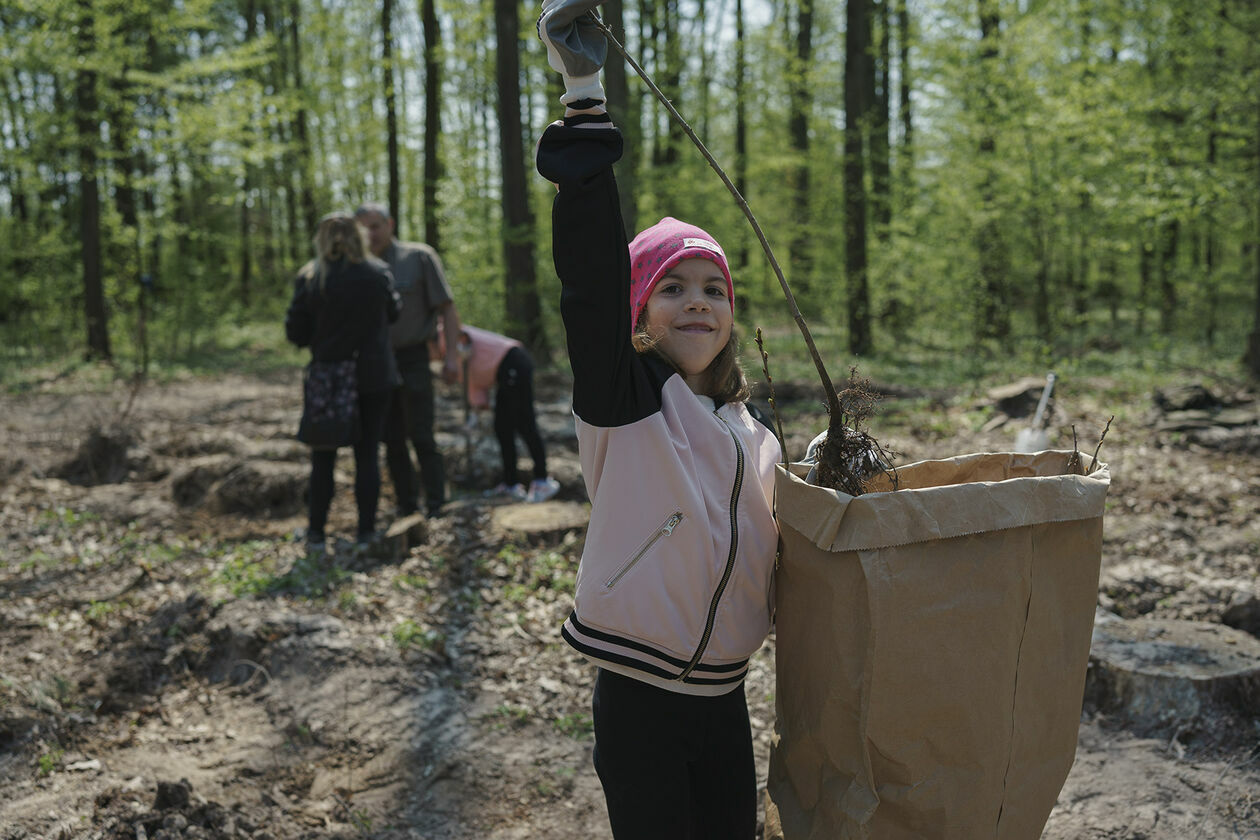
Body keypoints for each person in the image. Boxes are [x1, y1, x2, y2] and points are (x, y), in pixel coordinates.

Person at [536, 3, 781, 837]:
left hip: (727, 697)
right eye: (672, 288)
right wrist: (584, 93)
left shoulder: (757, 433)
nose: (698, 303)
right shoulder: (625, 400)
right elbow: (592, 277)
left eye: (713, 288)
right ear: (640, 316)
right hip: (638, 695)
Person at [285, 212, 402, 549]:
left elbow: (295, 331)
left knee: (323, 456)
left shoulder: (311, 277)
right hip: (374, 375)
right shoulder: (377, 273)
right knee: (367, 454)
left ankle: (316, 534)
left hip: (329, 377)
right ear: (359, 235)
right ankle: (366, 532)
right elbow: (393, 313)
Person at [354, 203, 460, 519]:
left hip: (415, 357)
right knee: (392, 438)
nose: (369, 234)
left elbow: (448, 308)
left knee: (422, 433)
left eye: (374, 226)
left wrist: (450, 356)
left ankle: (438, 504)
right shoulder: (358, 265)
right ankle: (407, 504)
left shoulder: (418, 257)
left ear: (390, 224)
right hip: (376, 361)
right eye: (362, 228)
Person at [434, 322, 561, 503]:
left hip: (513, 361)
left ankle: (542, 480)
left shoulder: (445, 334)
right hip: (501, 374)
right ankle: (511, 484)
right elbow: (473, 381)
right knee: (502, 427)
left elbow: (462, 338)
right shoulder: (449, 359)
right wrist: (476, 412)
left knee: (525, 424)